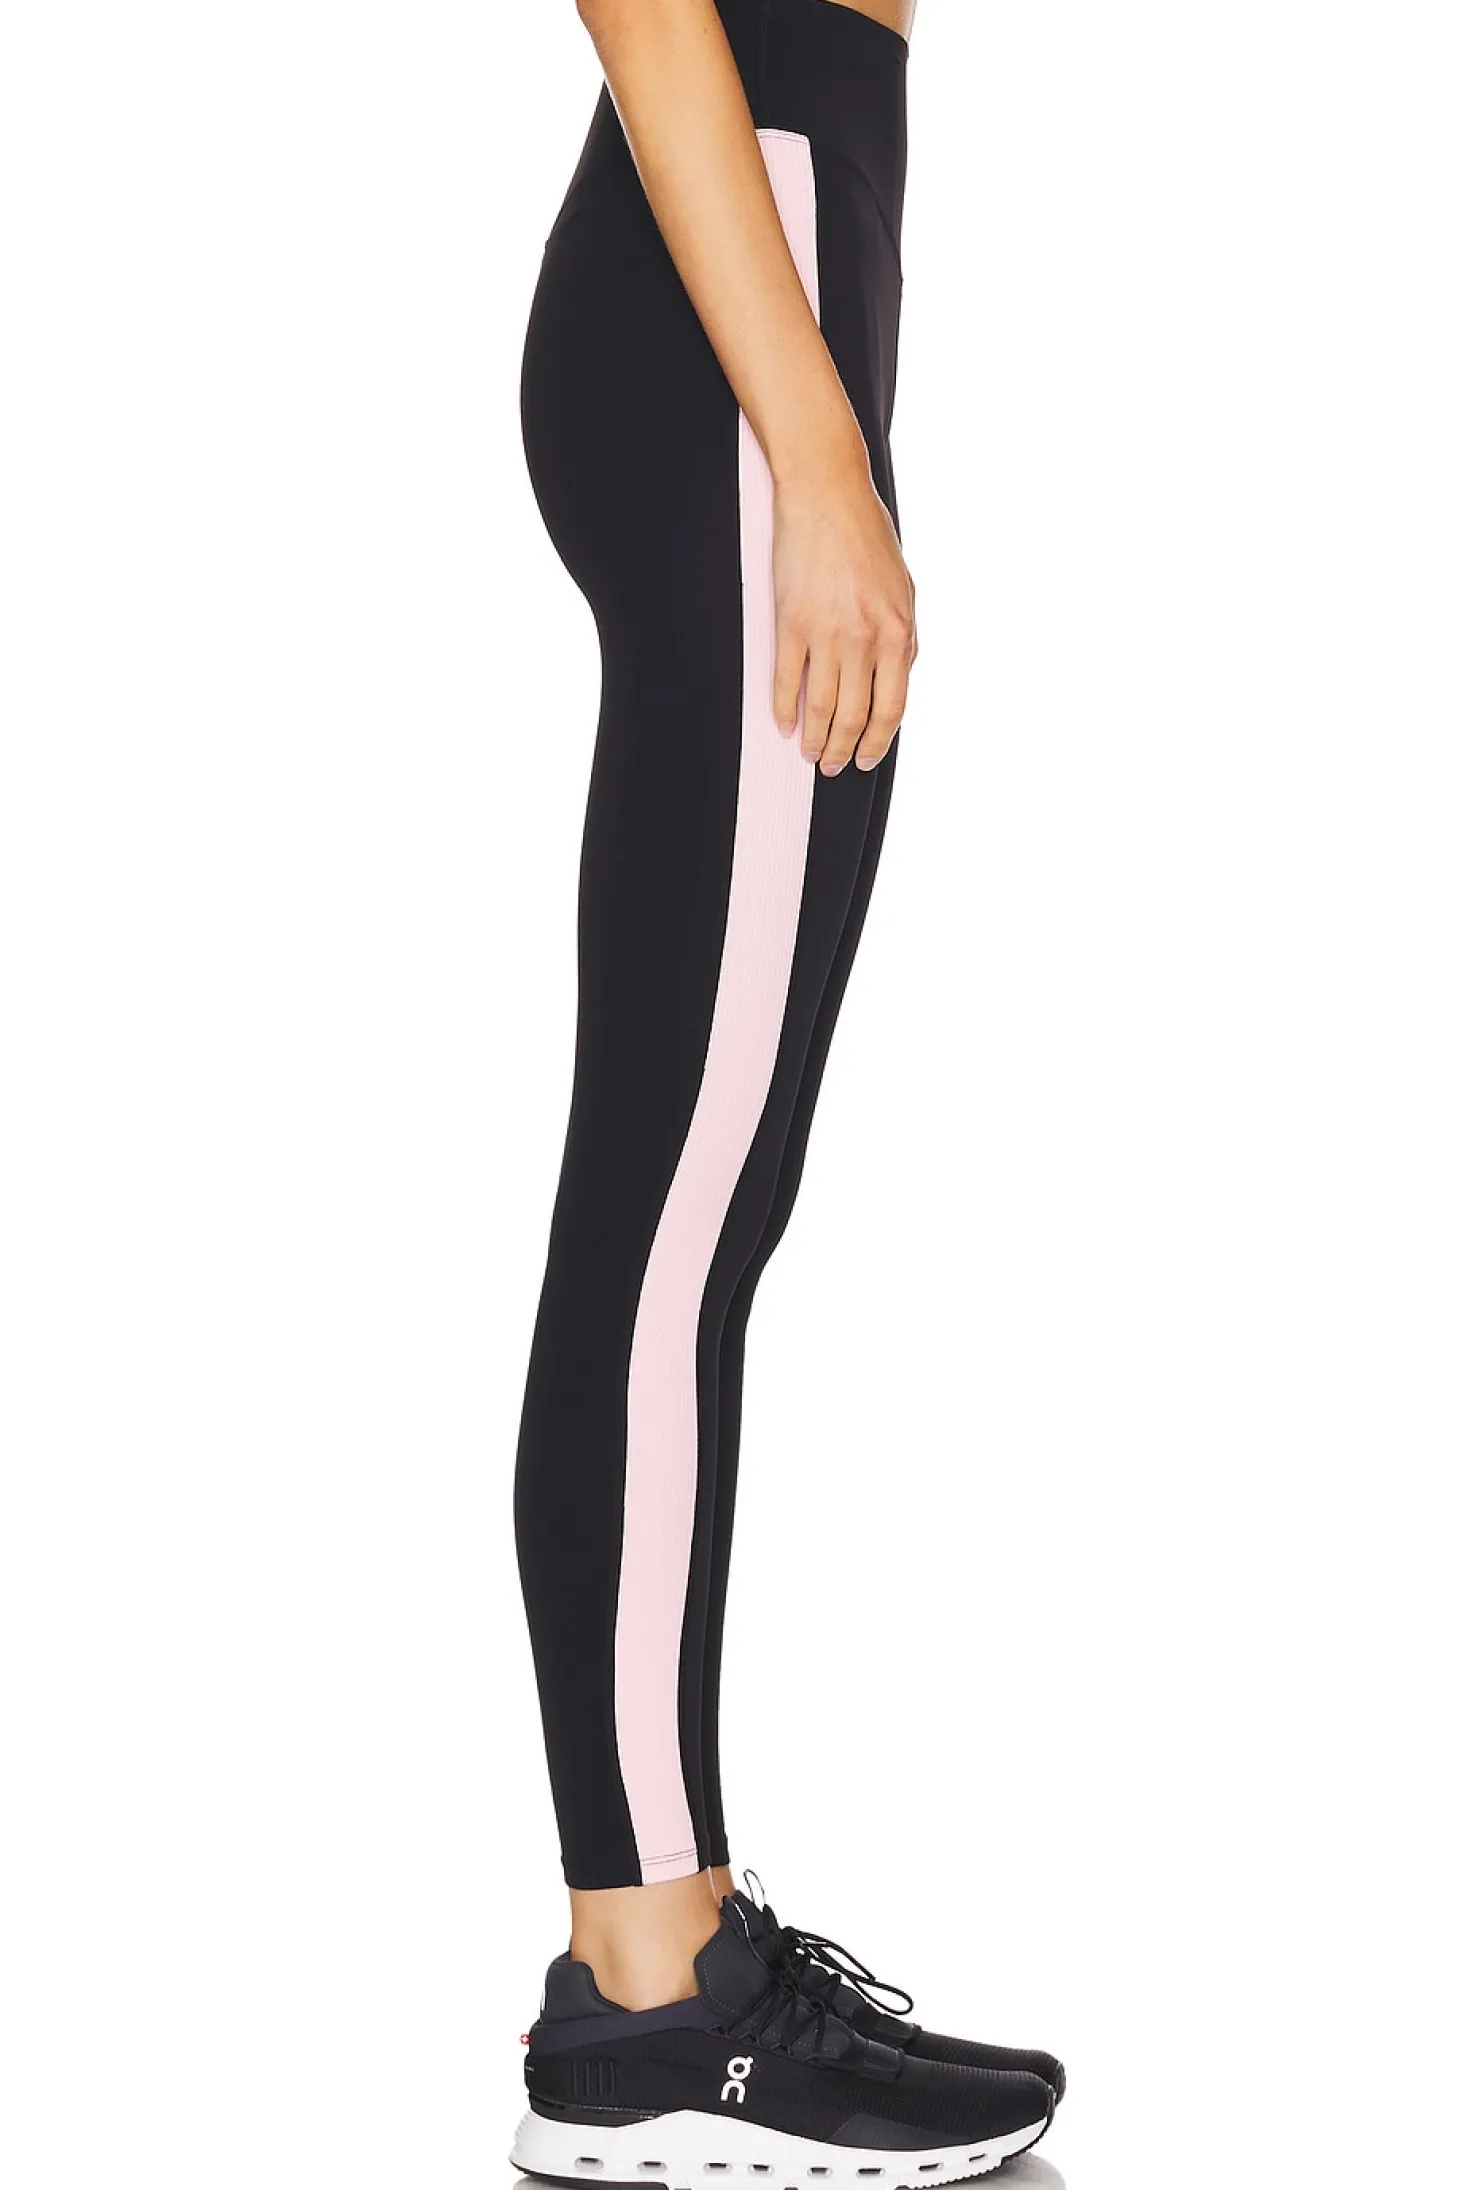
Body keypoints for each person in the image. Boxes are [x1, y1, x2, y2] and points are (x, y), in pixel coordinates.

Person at [513, 3, 1063, 2179]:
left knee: (692, 1212)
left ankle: (663, 1944)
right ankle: (655, 1994)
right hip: (749, 282)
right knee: (671, 1229)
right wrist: (816, 459)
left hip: (768, 252)